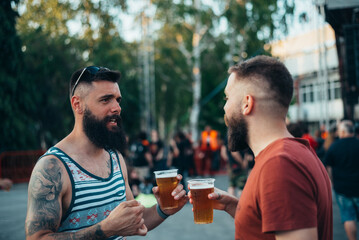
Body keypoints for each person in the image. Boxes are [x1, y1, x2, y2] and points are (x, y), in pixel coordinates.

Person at [25, 66, 188, 240]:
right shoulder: (53, 167)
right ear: (77, 104)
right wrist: (105, 229)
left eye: (118, 100)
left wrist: (162, 210)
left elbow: (136, 220)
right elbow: (37, 238)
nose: (117, 108)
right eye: (105, 100)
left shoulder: (115, 158)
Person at [189, 55, 333, 239]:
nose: (224, 108)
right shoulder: (297, 152)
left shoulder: (280, 164)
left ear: (247, 103)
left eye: (227, 98)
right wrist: (235, 207)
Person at [324, 120, 359, 240]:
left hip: (342, 188)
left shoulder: (334, 147)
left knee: (348, 217)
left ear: (343, 132)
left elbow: (328, 167)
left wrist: (331, 181)